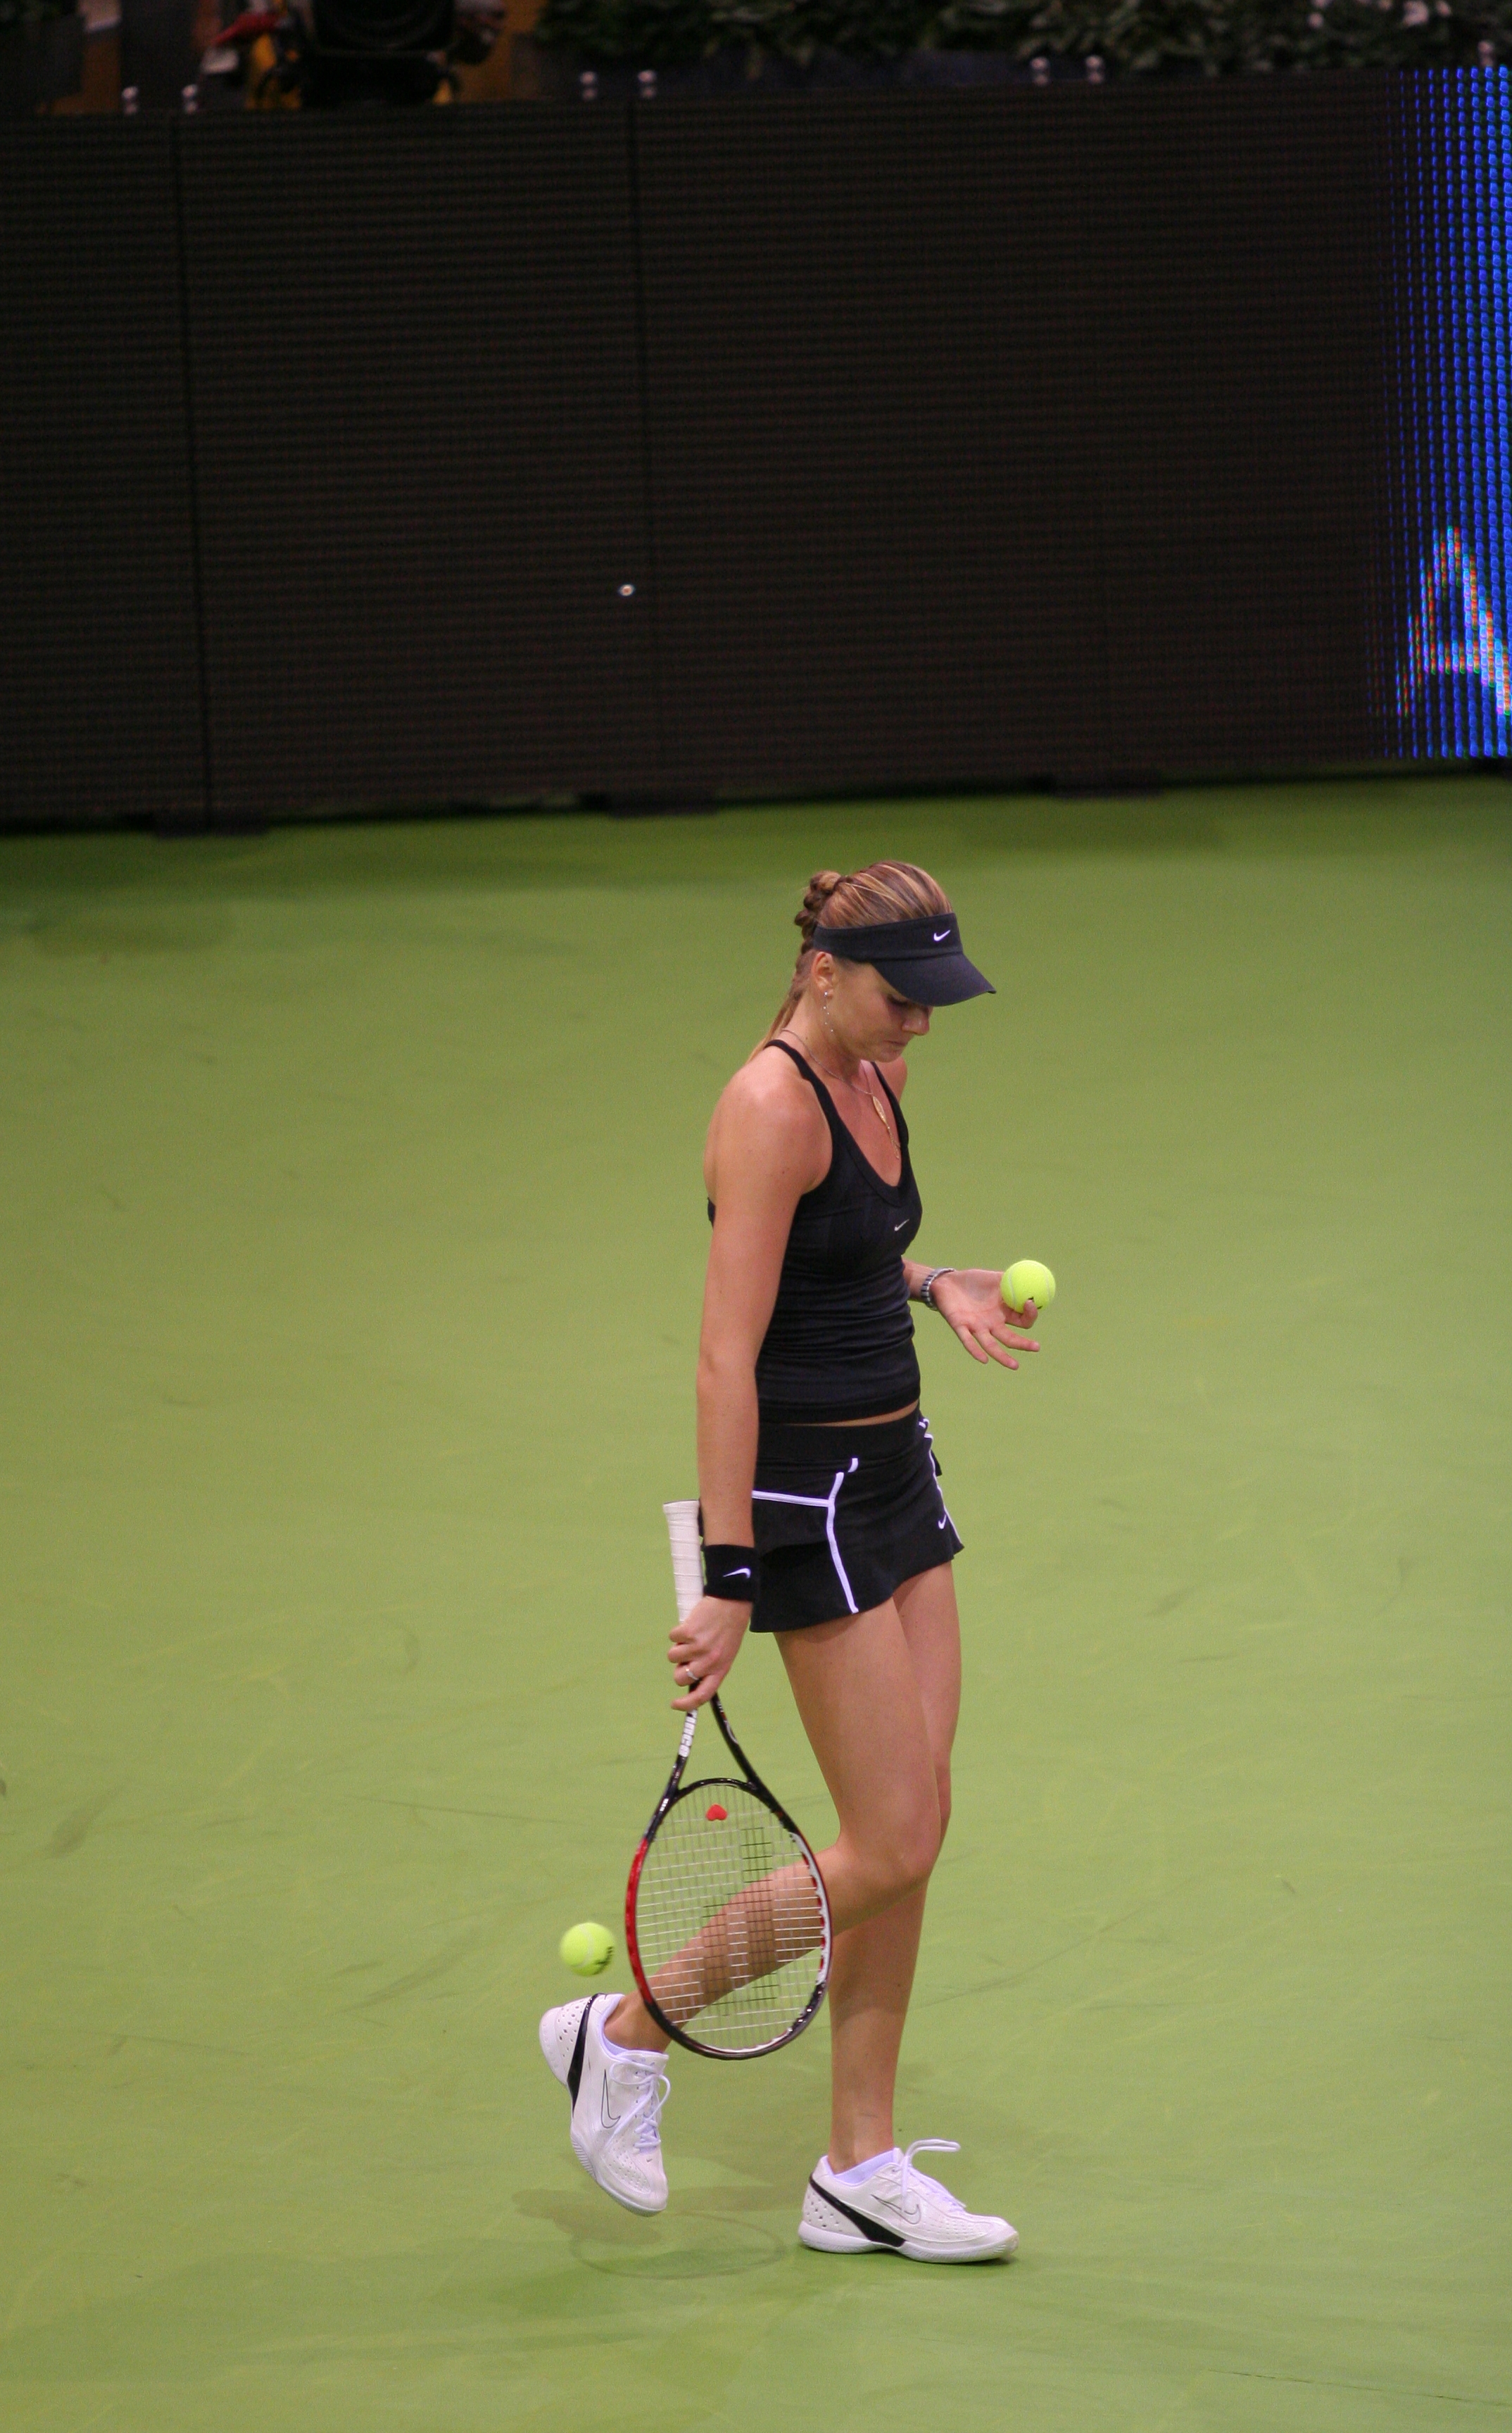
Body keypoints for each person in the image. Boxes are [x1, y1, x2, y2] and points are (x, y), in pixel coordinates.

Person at [541, 862, 1042, 2264]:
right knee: (885, 1842)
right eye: (901, 996)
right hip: (805, 1501)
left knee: (919, 1824)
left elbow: (849, 1254)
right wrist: (729, 1571)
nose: (921, 1022)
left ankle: (859, 2167)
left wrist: (932, 1283)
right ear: (824, 972)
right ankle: (622, 2035)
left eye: (934, 999)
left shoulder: (877, 1073)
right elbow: (725, 1355)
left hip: (899, 1477)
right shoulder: (767, 1108)